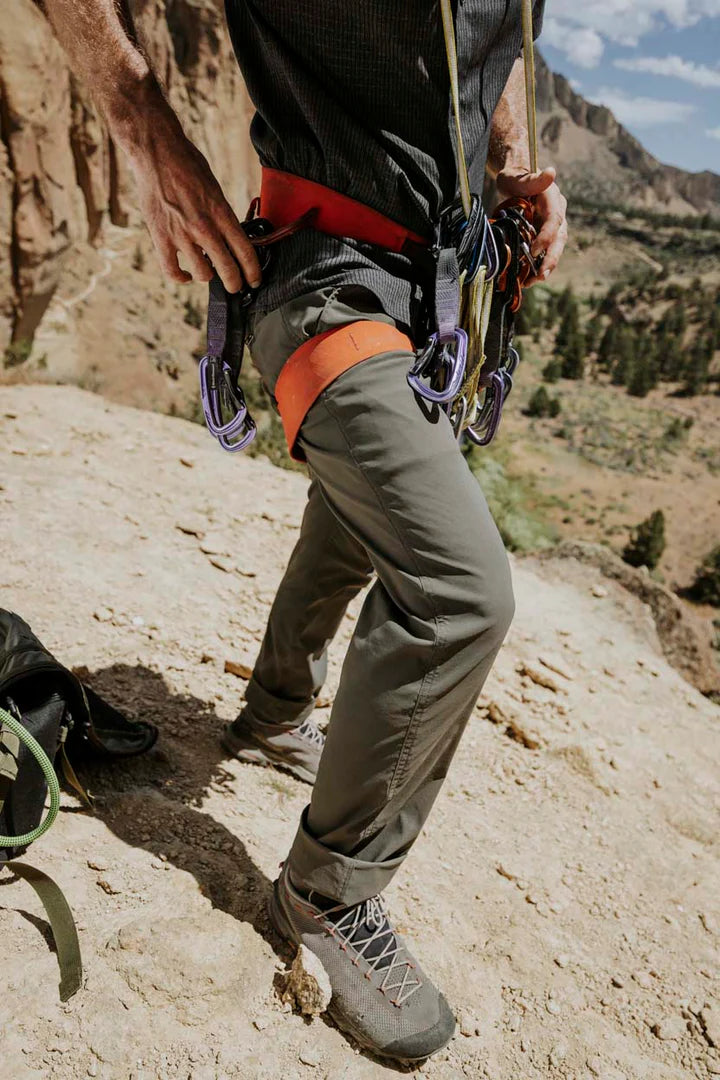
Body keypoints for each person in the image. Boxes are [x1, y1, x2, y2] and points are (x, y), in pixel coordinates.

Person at [44, 0, 567, 1063]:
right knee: (461, 589)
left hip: (429, 286)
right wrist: (143, 127)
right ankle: (325, 897)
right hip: (319, 277)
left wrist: (512, 162)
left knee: (358, 504)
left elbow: (494, 29)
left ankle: (276, 712)